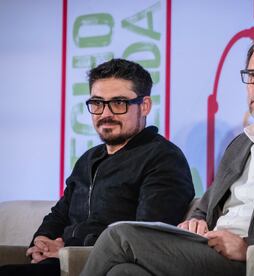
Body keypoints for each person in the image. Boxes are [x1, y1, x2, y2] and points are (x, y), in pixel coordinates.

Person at [80, 34, 254, 276]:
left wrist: (248, 245)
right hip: (208, 249)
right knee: (124, 272)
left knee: (119, 235)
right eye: (251, 75)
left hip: (253, 260)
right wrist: (196, 220)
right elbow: (207, 204)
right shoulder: (241, 143)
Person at [0, 59, 195, 276]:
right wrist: (42, 240)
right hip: (57, 263)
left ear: (145, 105)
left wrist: (69, 248)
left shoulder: (163, 157)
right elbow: (59, 214)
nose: (105, 113)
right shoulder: (88, 159)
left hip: (103, 266)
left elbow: (143, 236)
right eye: (97, 103)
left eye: (118, 103)